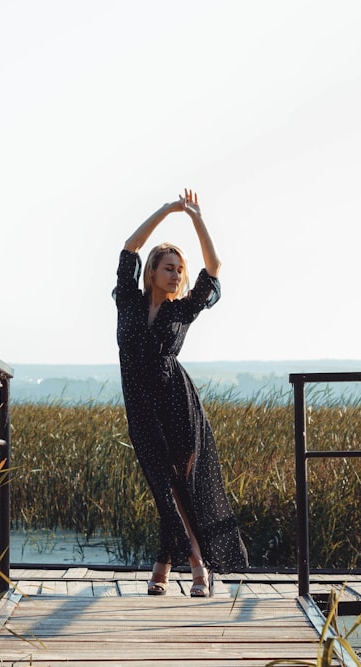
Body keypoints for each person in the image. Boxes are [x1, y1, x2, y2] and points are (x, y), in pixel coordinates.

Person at [113, 188, 248, 597]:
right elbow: (129, 247)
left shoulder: (180, 310)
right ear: (151, 270)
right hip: (140, 406)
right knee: (162, 485)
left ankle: (188, 565)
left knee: (178, 485)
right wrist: (168, 209)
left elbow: (215, 267)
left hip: (177, 402)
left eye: (179, 270)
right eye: (168, 268)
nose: (175, 275)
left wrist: (195, 218)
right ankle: (177, 561)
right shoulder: (128, 302)